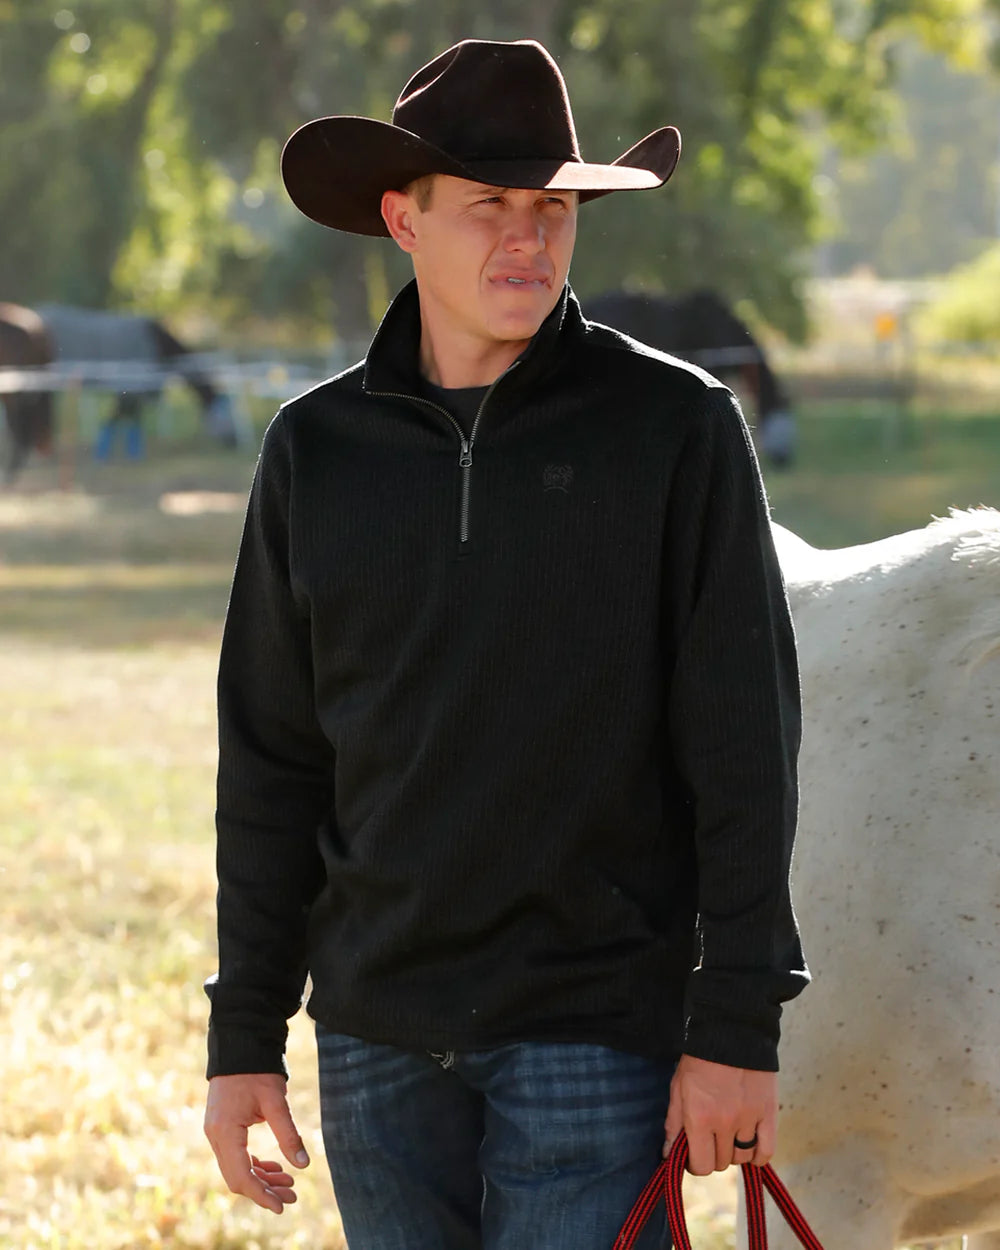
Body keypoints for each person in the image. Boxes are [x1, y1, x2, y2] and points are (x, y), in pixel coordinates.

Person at [203, 37, 808, 1250]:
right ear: (402, 219)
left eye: (551, 208)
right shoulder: (313, 451)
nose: (527, 238)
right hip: (372, 1031)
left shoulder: (676, 430)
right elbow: (272, 761)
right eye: (488, 207)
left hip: (594, 1028)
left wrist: (736, 1026)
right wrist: (244, 1037)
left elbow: (746, 748)